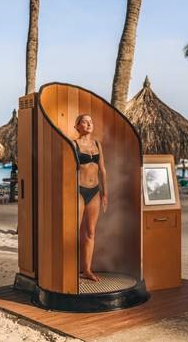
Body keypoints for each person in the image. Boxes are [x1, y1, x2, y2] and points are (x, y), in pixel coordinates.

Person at [73, 114, 108, 282]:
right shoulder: (73, 145)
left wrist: (105, 193)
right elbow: (69, 170)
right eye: (85, 121)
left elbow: (103, 171)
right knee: (74, 231)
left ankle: (87, 269)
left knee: (90, 233)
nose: (89, 124)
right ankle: (69, 268)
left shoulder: (97, 145)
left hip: (95, 191)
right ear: (77, 126)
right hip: (79, 190)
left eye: (91, 121)